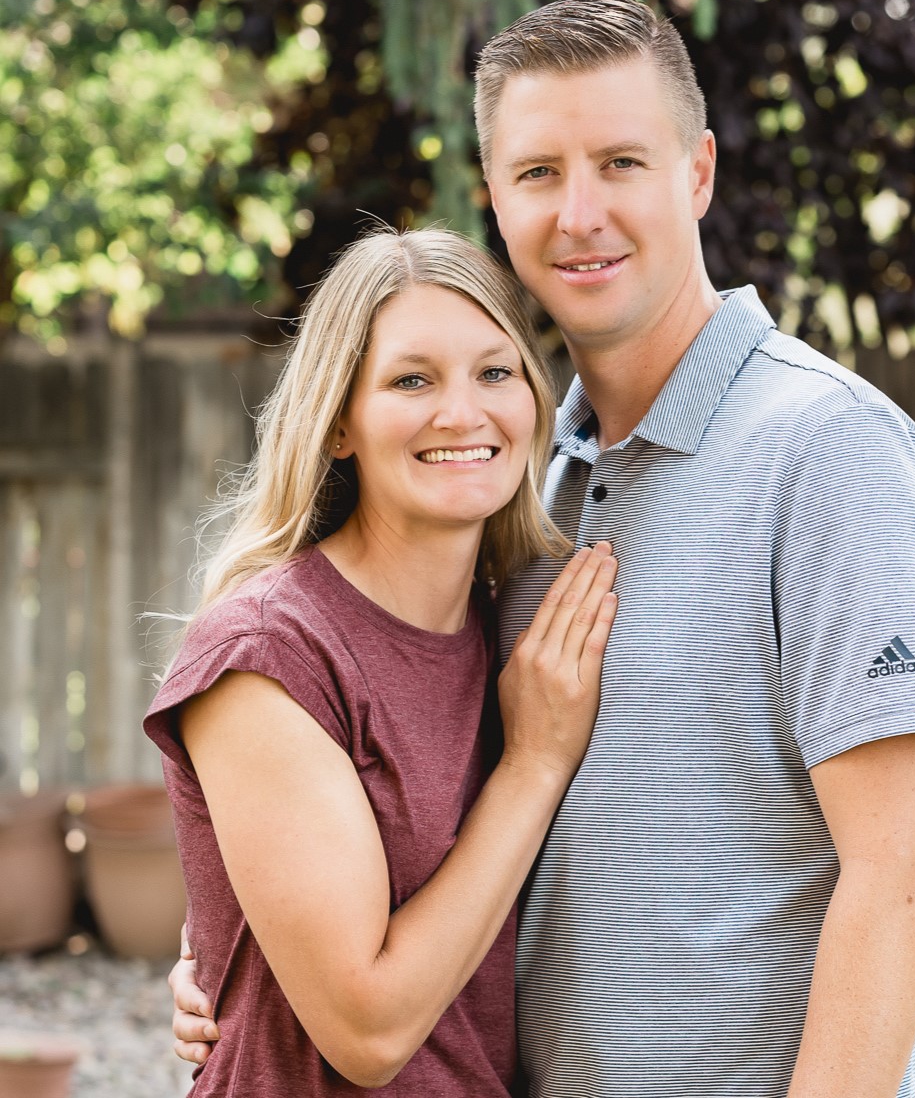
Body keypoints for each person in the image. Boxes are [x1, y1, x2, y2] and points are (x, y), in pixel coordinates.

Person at [172, 0, 915, 1097]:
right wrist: (246, 955)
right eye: (539, 172)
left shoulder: (826, 449)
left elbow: (908, 868)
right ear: (495, 198)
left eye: (622, 163)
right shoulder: (522, 500)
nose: (579, 212)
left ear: (697, 172)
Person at [144, 225, 619, 1097]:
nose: (463, 412)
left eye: (495, 372)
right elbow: (368, 1030)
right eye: (411, 380)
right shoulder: (267, 654)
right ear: (337, 427)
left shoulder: (513, 627)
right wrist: (534, 763)